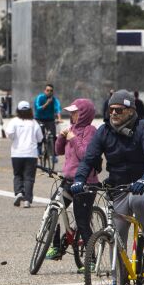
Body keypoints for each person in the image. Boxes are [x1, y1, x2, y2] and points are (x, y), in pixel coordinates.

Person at [70, 90, 144, 285]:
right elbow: (89, 158)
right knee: (117, 236)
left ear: (131, 111)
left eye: (119, 110)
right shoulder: (104, 131)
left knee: (138, 200)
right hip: (119, 186)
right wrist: (79, 180)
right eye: (111, 110)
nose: (114, 113)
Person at [54, 99, 99, 263]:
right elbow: (58, 150)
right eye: (71, 112)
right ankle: (56, 246)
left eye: (75, 112)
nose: (71, 115)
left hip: (86, 181)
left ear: (84, 113)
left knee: (82, 221)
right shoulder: (71, 128)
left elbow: (86, 155)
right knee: (54, 210)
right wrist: (61, 137)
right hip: (67, 179)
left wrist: (73, 138)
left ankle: (91, 259)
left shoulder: (91, 130)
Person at [4, 100, 43, 208]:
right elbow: (40, 138)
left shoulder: (14, 121)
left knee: (17, 175)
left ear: (18, 110)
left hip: (17, 153)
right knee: (29, 177)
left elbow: (10, 134)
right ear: (29, 110)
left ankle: (18, 193)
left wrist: (15, 138)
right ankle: (27, 200)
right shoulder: (33, 122)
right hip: (31, 153)